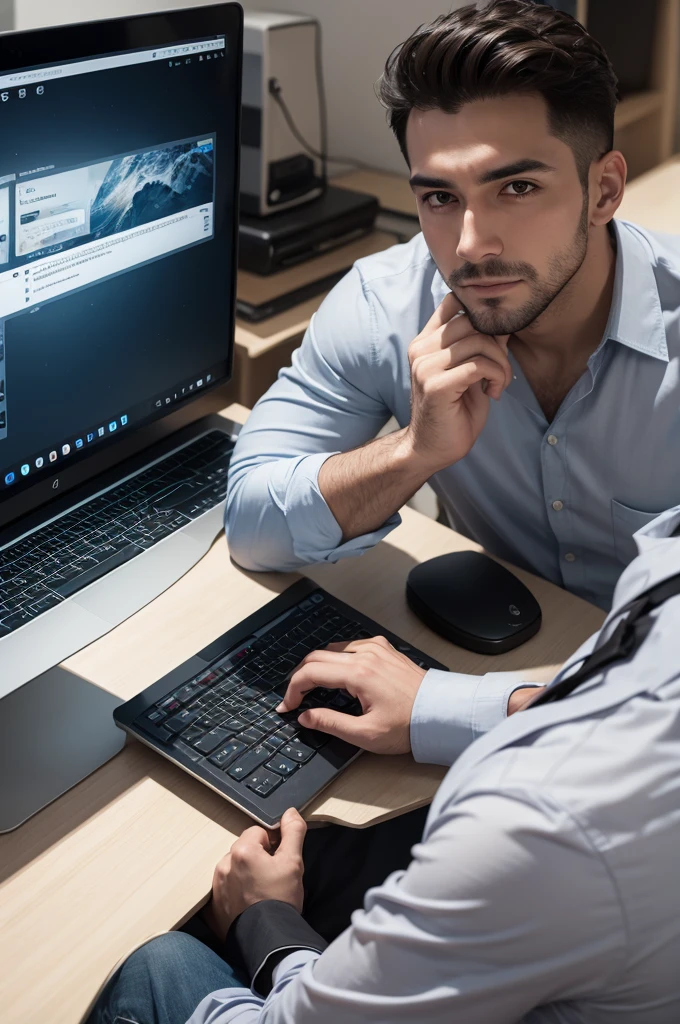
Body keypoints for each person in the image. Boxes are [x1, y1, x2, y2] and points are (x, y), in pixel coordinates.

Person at [88, 506, 680, 1023]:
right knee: (334, 855)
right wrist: (437, 704)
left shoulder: (535, 823)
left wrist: (263, 922)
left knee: (162, 963)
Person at [226, 0, 680, 620]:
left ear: (603, 190)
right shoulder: (383, 305)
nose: (470, 245)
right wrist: (414, 450)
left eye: (516, 188)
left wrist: (454, 711)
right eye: (440, 196)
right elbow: (252, 522)